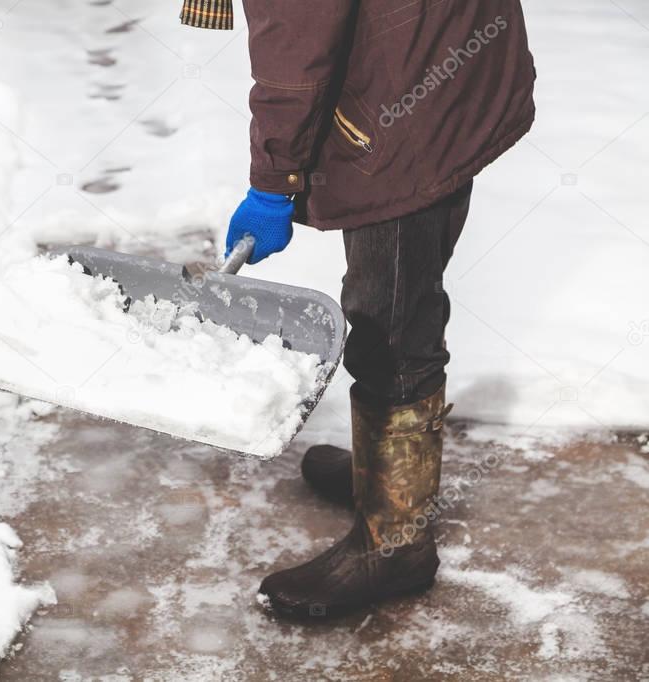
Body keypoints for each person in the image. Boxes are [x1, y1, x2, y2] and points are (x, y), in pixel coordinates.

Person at [182, 0, 536, 618]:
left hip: (412, 94)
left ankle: (396, 540)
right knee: (398, 297)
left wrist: (274, 179)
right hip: (438, 45)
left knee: (391, 319)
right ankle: (387, 477)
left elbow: (295, 47)